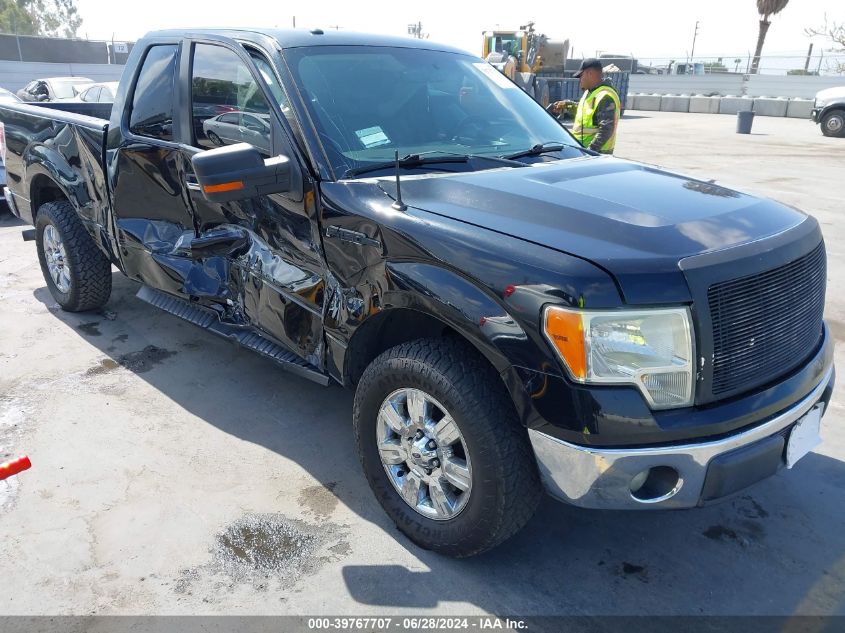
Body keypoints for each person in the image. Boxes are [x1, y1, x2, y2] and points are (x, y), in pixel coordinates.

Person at [547, 58, 621, 154]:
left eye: (580, 76)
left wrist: (590, 152)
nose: (579, 80)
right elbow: (586, 112)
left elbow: (606, 130)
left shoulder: (604, 96)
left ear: (590, 74)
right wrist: (567, 105)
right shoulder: (591, 93)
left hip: (598, 155)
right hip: (584, 151)